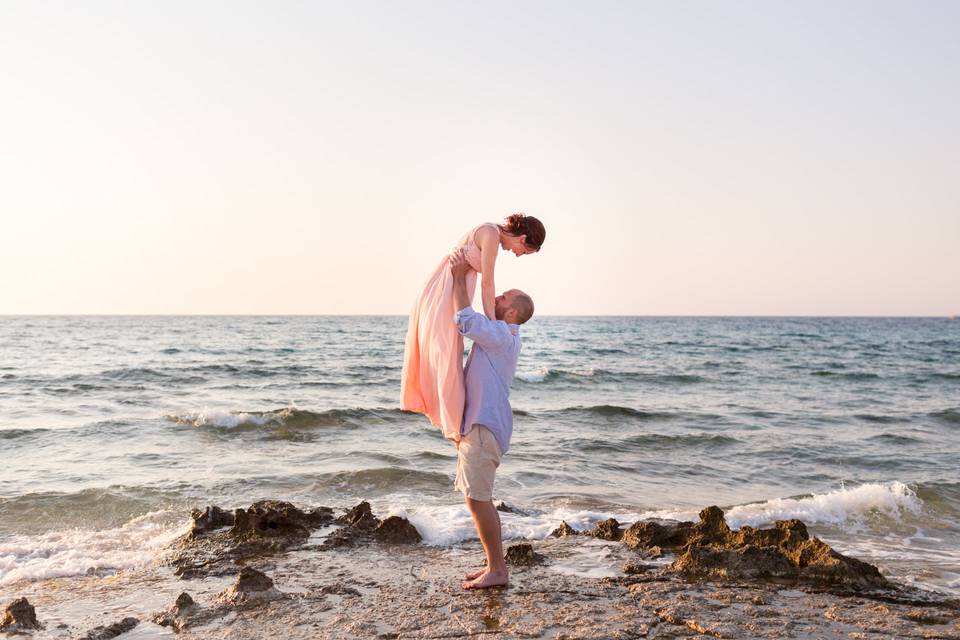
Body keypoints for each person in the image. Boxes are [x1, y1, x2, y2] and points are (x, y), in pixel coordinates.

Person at [400, 214, 545, 442]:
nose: (518, 255)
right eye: (523, 251)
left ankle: (456, 423)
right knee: (445, 353)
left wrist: (491, 329)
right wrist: (494, 325)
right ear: (523, 238)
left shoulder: (492, 236)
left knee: (450, 355)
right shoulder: (490, 234)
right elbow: (487, 283)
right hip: (446, 289)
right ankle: (451, 421)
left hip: (453, 289)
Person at [448, 247, 534, 590]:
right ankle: (493, 565)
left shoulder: (501, 334)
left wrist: (458, 278)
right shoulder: (502, 334)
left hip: (485, 427)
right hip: (480, 425)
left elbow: (466, 320)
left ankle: (498, 570)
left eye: (502, 296)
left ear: (511, 312)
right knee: (475, 497)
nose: (495, 297)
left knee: (478, 498)